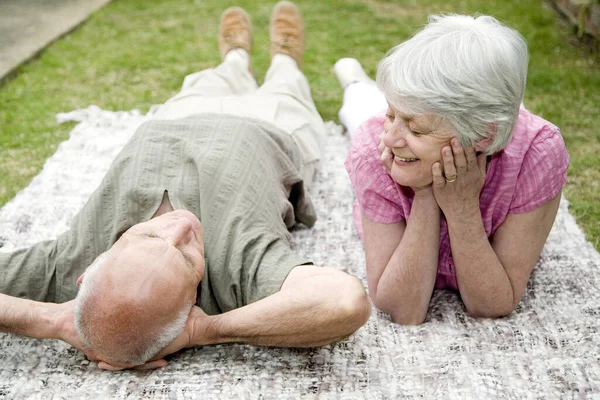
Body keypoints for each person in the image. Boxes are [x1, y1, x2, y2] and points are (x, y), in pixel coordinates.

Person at [0, 2, 371, 371]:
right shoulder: (238, 271)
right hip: (273, 126)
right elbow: (344, 302)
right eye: (186, 256)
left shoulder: (68, 262)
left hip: (180, 115)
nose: (181, 225)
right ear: (191, 302)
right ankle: (284, 58)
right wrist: (205, 330)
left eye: (146, 237)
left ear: (93, 267)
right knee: (287, 82)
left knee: (215, 75)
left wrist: (54, 320)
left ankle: (236, 57)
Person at [340, 14, 569, 325]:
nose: (390, 139)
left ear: (483, 136)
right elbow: (401, 310)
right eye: (392, 115)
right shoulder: (375, 143)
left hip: (484, 123)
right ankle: (353, 79)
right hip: (441, 121)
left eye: (417, 130)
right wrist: (425, 192)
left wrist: (461, 207)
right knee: (358, 110)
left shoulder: (538, 153)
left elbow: (490, 305)